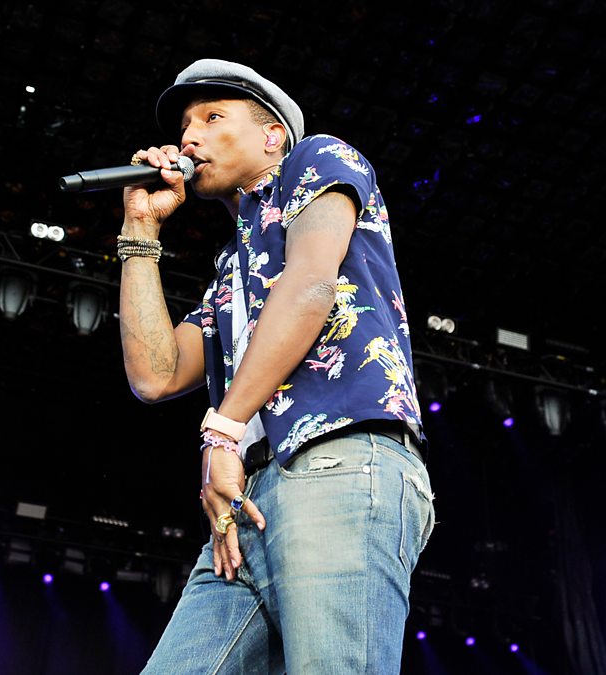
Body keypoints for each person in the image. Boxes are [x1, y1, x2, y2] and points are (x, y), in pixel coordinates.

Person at [117, 58, 435, 674]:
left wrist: (222, 432)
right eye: (184, 127)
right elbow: (156, 375)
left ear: (272, 136)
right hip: (247, 504)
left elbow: (311, 285)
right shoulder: (230, 268)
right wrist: (140, 232)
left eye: (212, 118)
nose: (189, 138)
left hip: (339, 462)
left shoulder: (318, 158)